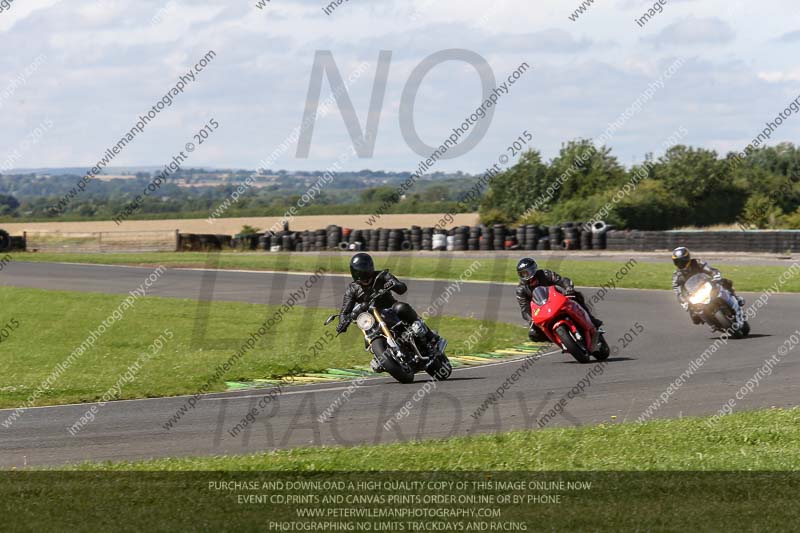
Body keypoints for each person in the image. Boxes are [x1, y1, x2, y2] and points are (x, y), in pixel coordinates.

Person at [337, 253, 441, 372]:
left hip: (390, 309)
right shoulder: (352, 289)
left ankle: (430, 336)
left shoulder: (382, 276)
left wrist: (395, 285)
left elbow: (402, 288)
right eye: (359, 270)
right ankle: (382, 358)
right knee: (367, 337)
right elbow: (344, 311)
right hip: (372, 319)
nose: (362, 273)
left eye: (363, 269)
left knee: (401, 307)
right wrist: (343, 322)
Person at [515, 257, 603, 342]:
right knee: (533, 334)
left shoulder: (545, 274)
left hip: (556, 300)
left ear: (533, 269)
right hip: (542, 311)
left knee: (576, 295)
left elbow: (562, 280)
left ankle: (592, 320)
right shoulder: (521, 290)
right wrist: (531, 321)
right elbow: (525, 309)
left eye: (527, 272)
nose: (526, 275)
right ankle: (558, 339)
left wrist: (568, 288)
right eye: (523, 273)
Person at [671, 246, 745, 325]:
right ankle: (712, 323)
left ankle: (736, 298)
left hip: (706, 285)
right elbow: (678, 292)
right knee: (695, 318)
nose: (680, 264)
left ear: (687, 259)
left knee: (725, 282)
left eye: (682, 261)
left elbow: (710, 270)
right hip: (694, 293)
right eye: (677, 262)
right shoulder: (677, 276)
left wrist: (715, 275)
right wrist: (684, 302)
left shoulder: (697, 263)